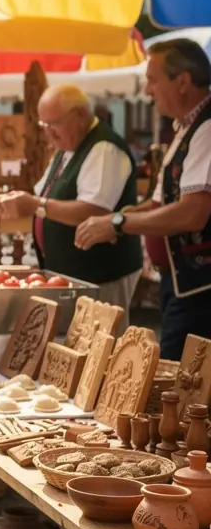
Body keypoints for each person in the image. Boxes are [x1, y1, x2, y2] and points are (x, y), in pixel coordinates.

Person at [77, 39, 211, 360]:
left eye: (153, 79)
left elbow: (193, 213)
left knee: (179, 388)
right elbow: (161, 203)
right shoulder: (188, 127)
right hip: (182, 287)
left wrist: (120, 223)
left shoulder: (206, 129)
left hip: (199, 291)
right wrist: (120, 216)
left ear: (182, 81)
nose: (147, 91)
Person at [0, 85, 142, 319]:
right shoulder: (69, 146)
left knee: (103, 345)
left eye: (53, 123)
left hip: (101, 275)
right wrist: (14, 200)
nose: (48, 133)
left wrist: (34, 205)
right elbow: (47, 195)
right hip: (76, 275)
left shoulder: (103, 148)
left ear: (79, 115)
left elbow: (93, 211)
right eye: (44, 125)